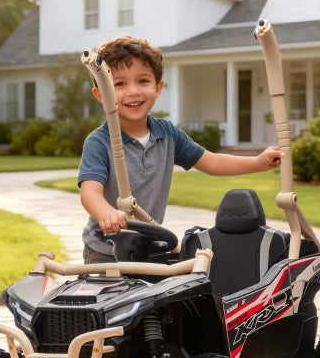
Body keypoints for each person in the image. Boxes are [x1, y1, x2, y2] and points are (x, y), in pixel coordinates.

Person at [78, 35, 282, 263]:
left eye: (143, 81)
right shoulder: (99, 141)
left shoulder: (168, 134)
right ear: (100, 94)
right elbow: (89, 192)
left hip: (148, 246)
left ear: (158, 87)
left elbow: (211, 162)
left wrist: (258, 162)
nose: (133, 91)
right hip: (105, 252)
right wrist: (106, 213)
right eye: (119, 84)